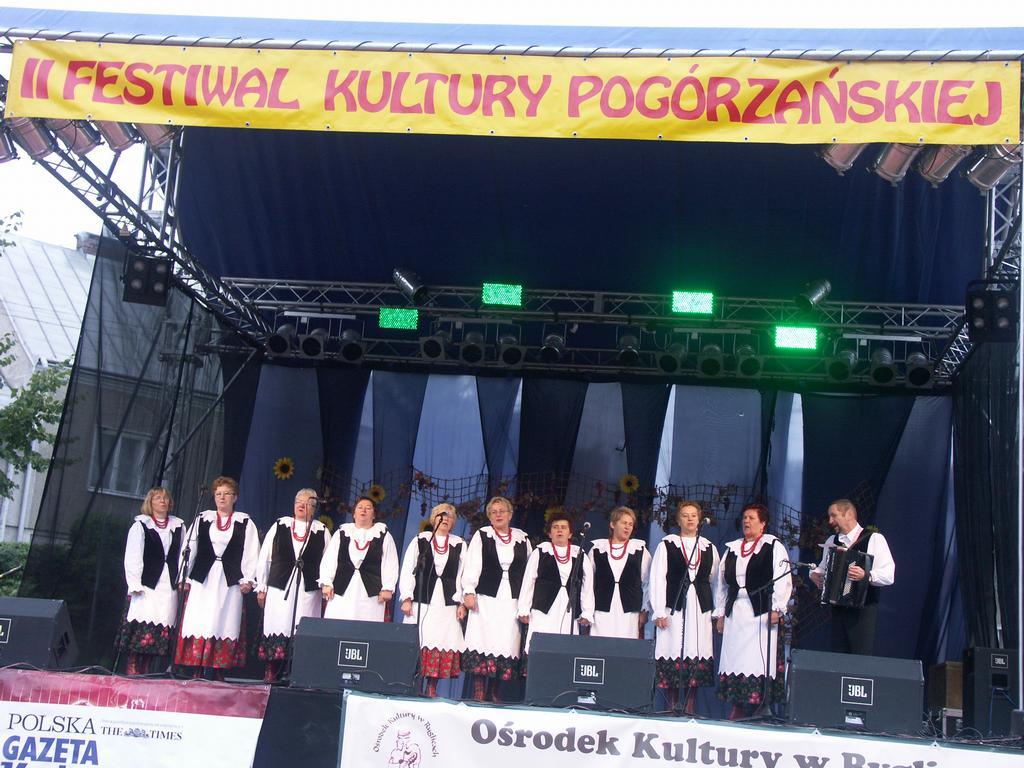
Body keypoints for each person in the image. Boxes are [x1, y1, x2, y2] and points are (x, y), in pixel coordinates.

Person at [175, 476, 261, 679]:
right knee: (201, 618)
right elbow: (190, 547)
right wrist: (184, 576)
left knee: (225, 620)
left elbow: (251, 551)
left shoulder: (244, 522)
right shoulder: (203, 519)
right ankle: (197, 668)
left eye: (227, 494)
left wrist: (248, 578)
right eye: (218, 494)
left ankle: (218, 670)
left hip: (229, 579)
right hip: (203, 577)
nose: (222, 498)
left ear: (235, 497)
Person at [713, 502, 792, 719]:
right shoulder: (732, 548)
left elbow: (783, 579)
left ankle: (760, 706)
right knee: (735, 658)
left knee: (757, 658)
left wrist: (777, 608)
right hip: (736, 611)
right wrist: (721, 613)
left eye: (752, 518)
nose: (746, 521)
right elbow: (721, 584)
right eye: (745, 518)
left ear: (763, 523)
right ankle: (737, 705)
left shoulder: (772, 546)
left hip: (761, 612)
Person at [649, 500, 720, 715]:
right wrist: (659, 610)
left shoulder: (708, 547)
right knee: (673, 650)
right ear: (678, 520)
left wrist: (717, 610)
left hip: (699, 610)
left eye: (693, 515)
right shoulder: (667, 544)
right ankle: (672, 708)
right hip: (674, 608)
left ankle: (689, 709)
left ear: (699, 520)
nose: (690, 519)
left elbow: (716, 581)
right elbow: (658, 578)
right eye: (685, 515)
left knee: (695, 651)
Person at [461, 496, 532, 702]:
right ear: (489, 517)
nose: (498, 515)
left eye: (502, 511)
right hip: (485, 597)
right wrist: (469, 591)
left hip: (511, 600)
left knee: (504, 642)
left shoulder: (522, 539)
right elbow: (472, 564)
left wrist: (526, 604)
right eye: (494, 512)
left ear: (510, 514)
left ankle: (494, 691)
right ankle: (479, 691)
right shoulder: (483, 535)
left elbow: (529, 572)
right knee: (482, 640)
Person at [255, 488, 330, 682]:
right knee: (278, 623)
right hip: (280, 584)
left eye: (307, 503)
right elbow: (265, 556)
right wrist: (262, 586)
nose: (301, 505)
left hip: (308, 588)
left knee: (302, 625)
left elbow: (327, 562)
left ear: (314, 508)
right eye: (298, 501)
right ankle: (273, 669)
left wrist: (325, 585)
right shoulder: (281, 524)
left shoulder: (321, 530)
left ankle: (297, 672)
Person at [809, 498, 895, 655]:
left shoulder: (873, 538)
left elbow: (889, 574)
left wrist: (866, 575)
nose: (830, 521)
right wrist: (814, 574)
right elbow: (822, 568)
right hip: (838, 609)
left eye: (834, 516)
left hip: (863, 610)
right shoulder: (832, 541)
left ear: (848, 514)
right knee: (839, 656)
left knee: (860, 657)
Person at [398, 502, 467, 697]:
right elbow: (408, 569)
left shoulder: (459, 544)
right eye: (441, 515)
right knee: (420, 641)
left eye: (449, 517)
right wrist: (407, 597)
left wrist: (461, 602)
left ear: (453, 522)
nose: (445, 519)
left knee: (441, 641)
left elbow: (463, 574)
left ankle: (431, 689)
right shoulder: (421, 540)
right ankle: (415, 687)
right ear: (433, 519)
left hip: (447, 604)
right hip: (421, 601)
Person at [116, 487, 185, 675]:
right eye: (158, 498)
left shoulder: (178, 526)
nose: (162, 501)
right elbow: (133, 555)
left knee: (161, 622)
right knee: (142, 620)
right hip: (147, 582)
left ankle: (147, 666)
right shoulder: (141, 525)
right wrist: (135, 583)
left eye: (165, 498)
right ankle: (133, 665)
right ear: (150, 502)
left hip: (168, 583)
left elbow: (182, 555)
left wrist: (180, 579)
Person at [518, 512, 591, 663]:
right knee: (541, 647)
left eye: (563, 527)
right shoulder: (541, 551)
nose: (559, 530)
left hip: (568, 608)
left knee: (566, 648)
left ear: (570, 533)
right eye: (555, 527)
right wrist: (524, 607)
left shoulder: (579, 554)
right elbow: (529, 581)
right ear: (549, 533)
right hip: (543, 608)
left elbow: (587, 584)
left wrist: (587, 611)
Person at [319, 495, 399, 622]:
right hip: (341, 590)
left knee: (365, 628)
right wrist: (327, 583)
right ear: (354, 514)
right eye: (360, 507)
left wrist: (387, 588)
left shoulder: (383, 535)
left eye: (368, 508)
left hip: (370, 594)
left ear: (374, 515)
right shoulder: (342, 533)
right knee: (337, 625)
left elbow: (390, 563)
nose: (363, 510)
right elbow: (330, 559)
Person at [580, 506, 650, 639]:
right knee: (600, 644)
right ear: (613, 524)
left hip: (629, 610)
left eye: (630, 524)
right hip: (601, 609)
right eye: (624, 523)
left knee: (626, 645)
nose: (627, 527)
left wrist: (645, 610)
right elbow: (588, 583)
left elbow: (648, 582)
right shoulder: (598, 549)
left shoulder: (639, 550)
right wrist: (587, 610)